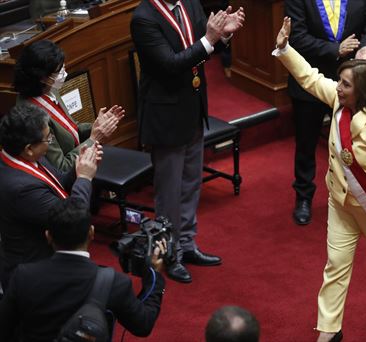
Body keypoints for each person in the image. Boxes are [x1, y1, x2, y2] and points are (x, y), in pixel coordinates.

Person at [274, 18, 366, 341]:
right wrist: (284, 48)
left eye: (346, 84)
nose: (338, 87)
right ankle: (329, 330)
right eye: (340, 82)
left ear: (361, 89)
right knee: (335, 265)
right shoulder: (337, 101)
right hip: (341, 203)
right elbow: (309, 78)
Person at [130, 1, 245, 283]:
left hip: (193, 109)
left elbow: (203, 49)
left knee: (191, 184)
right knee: (169, 194)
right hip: (166, 116)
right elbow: (170, 65)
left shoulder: (190, 4)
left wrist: (223, 36)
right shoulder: (144, 18)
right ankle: (169, 254)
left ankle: (187, 245)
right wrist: (211, 38)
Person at [0, 196, 167, 342]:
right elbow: (143, 325)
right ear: (91, 233)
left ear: (48, 236)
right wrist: (154, 277)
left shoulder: (23, 275)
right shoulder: (115, 282)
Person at [285, 0, 366, 225]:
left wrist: (365, 47)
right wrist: (334, 49)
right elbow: (296, 37)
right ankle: (304, 197)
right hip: (310, 82)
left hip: (351, 82)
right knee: (306, 144)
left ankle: (359, 195)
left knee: (356, 140)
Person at [0, 104, 100, 289]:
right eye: (48, 139)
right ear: (29, 148)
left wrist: (78, 167)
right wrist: (84, 177)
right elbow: (71, 219)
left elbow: (58, 181)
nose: (50, 142)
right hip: (34, 277)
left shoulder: (24, 156)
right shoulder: (19, 188)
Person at [13, 39, 124, 172]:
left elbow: (70, 129)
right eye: (59, 71)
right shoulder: (31, 116)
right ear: (42, 77)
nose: (64, 73)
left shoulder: (50, 90)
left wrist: (97, 126)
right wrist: (94, 139)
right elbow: (61, 168)